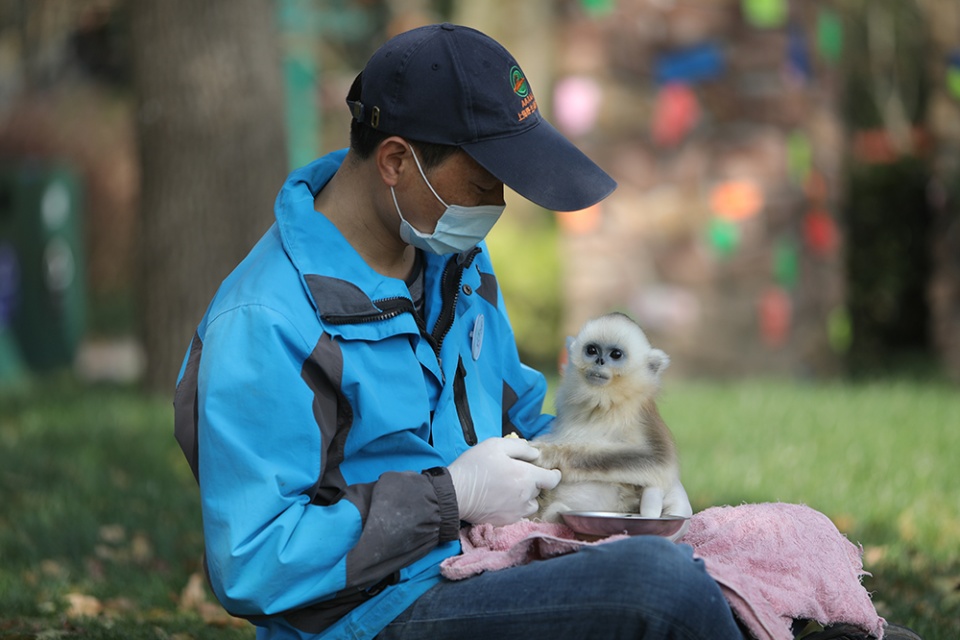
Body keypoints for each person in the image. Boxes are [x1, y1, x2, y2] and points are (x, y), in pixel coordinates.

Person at [173, 23, 918, 640]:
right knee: (657, 588)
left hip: (490, 559)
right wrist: (451, 496)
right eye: (482, 178)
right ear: (398, 161)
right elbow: (254, 562)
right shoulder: (268, 321)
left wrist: (620, 471)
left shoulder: (448, 254)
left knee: (755, 544)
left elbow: (523, 411)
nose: (496, 202)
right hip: (371, 616)